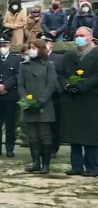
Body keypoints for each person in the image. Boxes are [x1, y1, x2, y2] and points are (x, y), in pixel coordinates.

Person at [57, 27, 98, 176]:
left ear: (90, 37)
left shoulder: (96, 53)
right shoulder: (69, 55)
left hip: (90, 99)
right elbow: (60, 73)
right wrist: (66, 84)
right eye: (77, 35)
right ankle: (76, 166)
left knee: (90, 137)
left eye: (82, 35)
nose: (79, 38)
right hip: (72, 100)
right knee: (74, 136)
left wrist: (82, 86)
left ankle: (93, 167)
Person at [18, 39, 58, 174]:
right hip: (28, 105)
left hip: (44, 105)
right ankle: (36, 162)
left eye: (34, 47)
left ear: (41, 49)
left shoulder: (49, 65)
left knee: (44, 135)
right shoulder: (24, 65)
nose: (31, 50)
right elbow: (20, 85)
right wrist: (26, 101)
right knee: (32, 136)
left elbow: (51, 84)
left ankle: (46, 164)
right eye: (30, 47)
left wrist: (41, 101)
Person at [0, 37, 21, 158]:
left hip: (9, 95)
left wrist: (6, 86)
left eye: (5, 45)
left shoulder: (16, 59)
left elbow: (17, 75)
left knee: (10, 124)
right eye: (0, 45)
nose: (2, 47)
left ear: (10, 46)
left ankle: (10, 148)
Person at [42, 35, 64, 158]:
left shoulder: (59, 58)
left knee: (55, 124)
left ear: (52, 44)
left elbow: (61, 75)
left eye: (46, 42)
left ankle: (53, 148)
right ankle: (43, 148)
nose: (44, 44)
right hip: (40, 95)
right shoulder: (38, 58)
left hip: (55, 96)